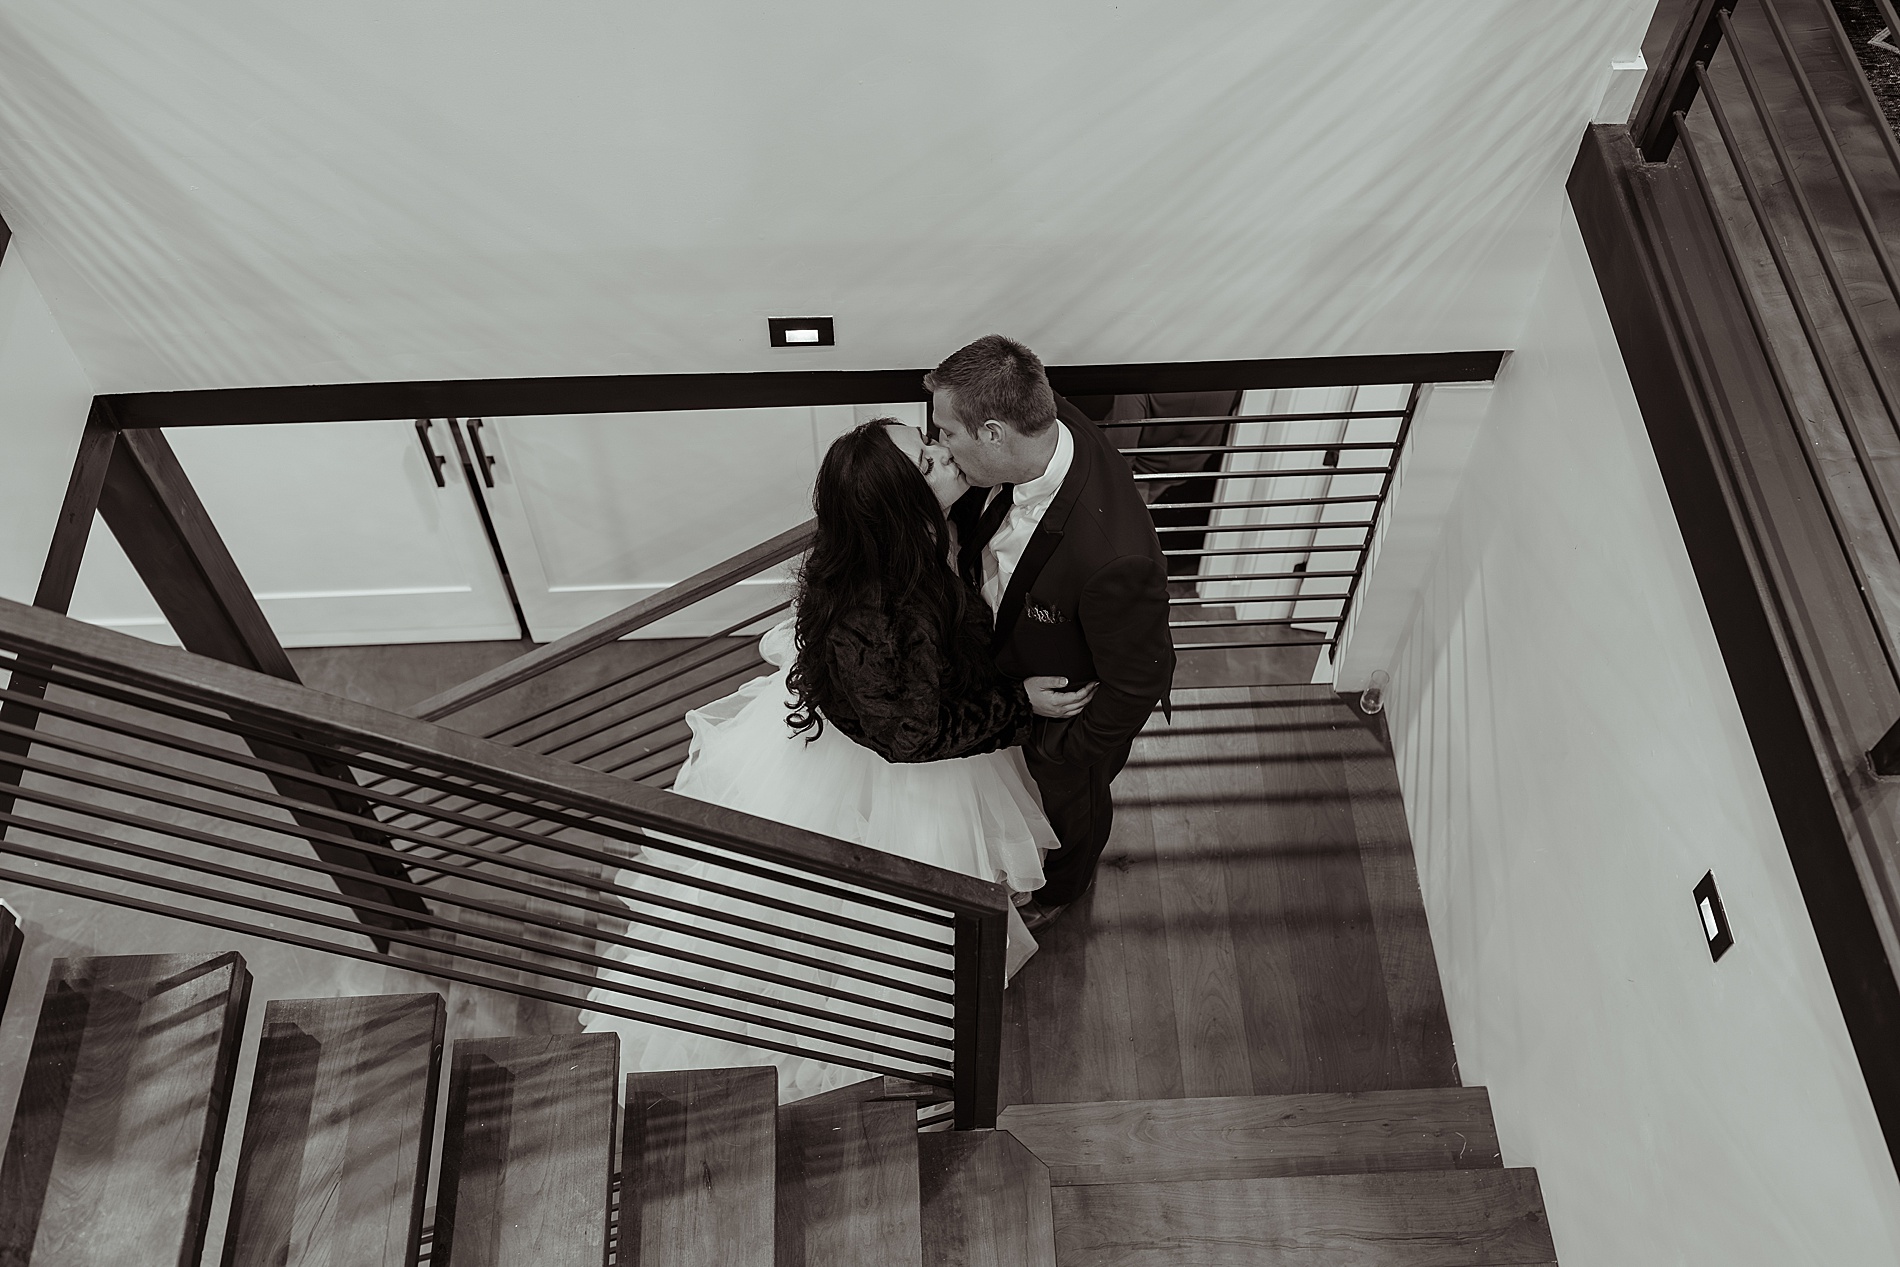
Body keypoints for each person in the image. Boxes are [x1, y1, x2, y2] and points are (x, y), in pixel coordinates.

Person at [582, 418, 1091, 1099]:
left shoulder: (892, 542)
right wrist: (1021, 705)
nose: (943, 452)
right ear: (903, 507)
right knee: (869, 918)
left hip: (865, 725)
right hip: (894, 762)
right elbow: (909, 737)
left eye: (927, 440)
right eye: (926, 458)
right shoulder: (885, 606)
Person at [930, 335, 1175, 930]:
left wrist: (1061, 750)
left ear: (993, 433)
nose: (939, 444)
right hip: (1007, 675)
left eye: (947, 434)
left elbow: (1141, 681)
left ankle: (1064, 888)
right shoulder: (1042, 416)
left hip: (1064, 724)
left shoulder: (1113, 559)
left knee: (1072, 812)